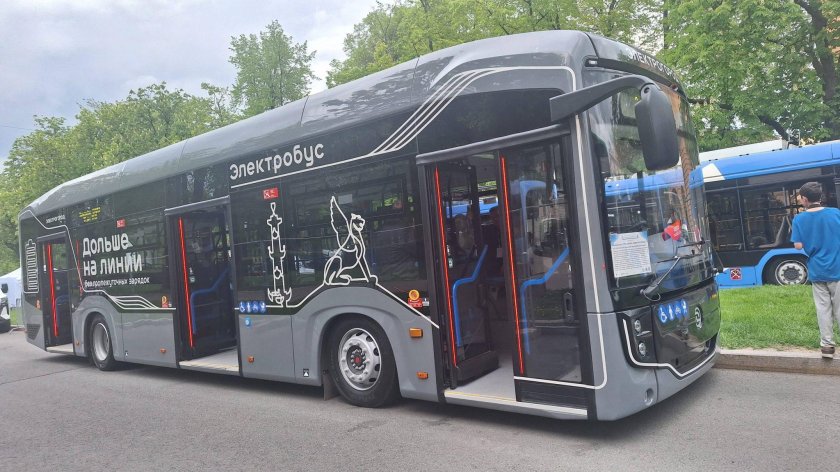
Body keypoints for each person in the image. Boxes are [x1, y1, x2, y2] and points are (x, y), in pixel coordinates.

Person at [790, 182, 840, 359]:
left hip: (817, 270)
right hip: (837, 268)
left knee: (823, 309)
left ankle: (827, 347)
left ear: (805, 199)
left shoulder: (799, 219)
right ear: (820, 196)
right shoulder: (835, 213)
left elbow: (798, 246)